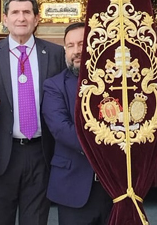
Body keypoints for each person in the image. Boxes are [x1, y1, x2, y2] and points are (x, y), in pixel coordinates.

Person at [0, 0, 66, 225]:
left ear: (37, 18)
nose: (21, 18)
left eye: (27, 12)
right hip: (3, 154)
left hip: (41, 153)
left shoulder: (55, 54)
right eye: (15, 12)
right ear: (5, 19)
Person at [41, 22, 112, 225]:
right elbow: (61, 128)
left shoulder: (116, 82)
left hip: (114, 185)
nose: (77, 51)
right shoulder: (54, 85)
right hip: (73, 186)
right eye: (70, 45)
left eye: (82, 44)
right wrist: (106, 147)